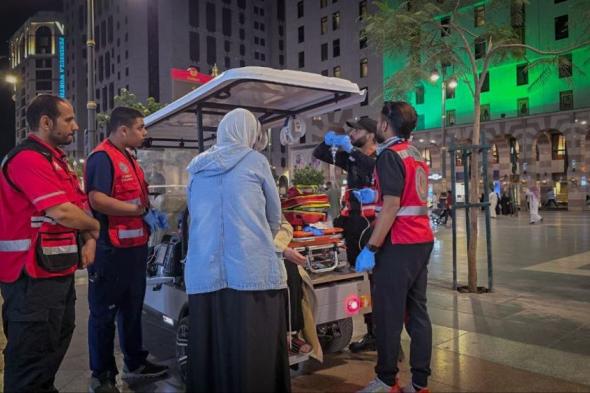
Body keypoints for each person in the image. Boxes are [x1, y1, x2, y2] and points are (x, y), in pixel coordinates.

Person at [184, 108, 290, 392]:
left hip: (204, 272)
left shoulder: (196, 167)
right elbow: (274, 217)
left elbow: (193, 214)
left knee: (212, 348)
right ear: (249, 133)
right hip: (250, 271)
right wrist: (262, 243)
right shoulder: (256, 161)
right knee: (252, 349)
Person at [0, 95, 100, 392]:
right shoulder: (27, 159)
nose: (76, 126)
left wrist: (88, 237)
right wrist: (95, 227)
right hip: (30, 280)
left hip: (56, 274)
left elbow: (80, 203)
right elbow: (63, 211)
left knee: (50, 352)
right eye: (69, 119)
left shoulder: (57, 162)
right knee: (29, 366)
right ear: (46, 122)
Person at [84, 107, 168, 392]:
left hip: (134, 248)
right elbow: (97, 200)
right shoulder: (102, 157)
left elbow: (135, 197)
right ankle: (103, 375)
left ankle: (136, 363)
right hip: (110, 250)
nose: (144, 133)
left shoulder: (129, 158)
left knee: (132, 311)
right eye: (140, 128)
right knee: (104, 315)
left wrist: (147, 213)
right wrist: (138, 210)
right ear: (123, 130)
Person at [357, 101, 434, 393]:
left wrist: (372, 248)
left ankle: (387, 380)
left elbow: (391, 207)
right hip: (421, 240)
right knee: (418, 313)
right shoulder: (414, 154)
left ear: (387, 124)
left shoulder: (389, 155)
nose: (377, 125)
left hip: (399, 243)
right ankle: (420, 383)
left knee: (388, 315)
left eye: (379, 120)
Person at [313, 116, 381, 353]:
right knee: (363, 282)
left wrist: (350, 148)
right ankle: (373, 333)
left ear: (371, 134)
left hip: (372, 226)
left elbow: (371, 168)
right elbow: (319, 153)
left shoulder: (379, 157)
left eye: (358, 130)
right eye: (351, 131)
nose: (352, 134)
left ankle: (383, 338)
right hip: (353, 224)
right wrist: (328, 139)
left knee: (376, 283)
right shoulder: (352, 157)